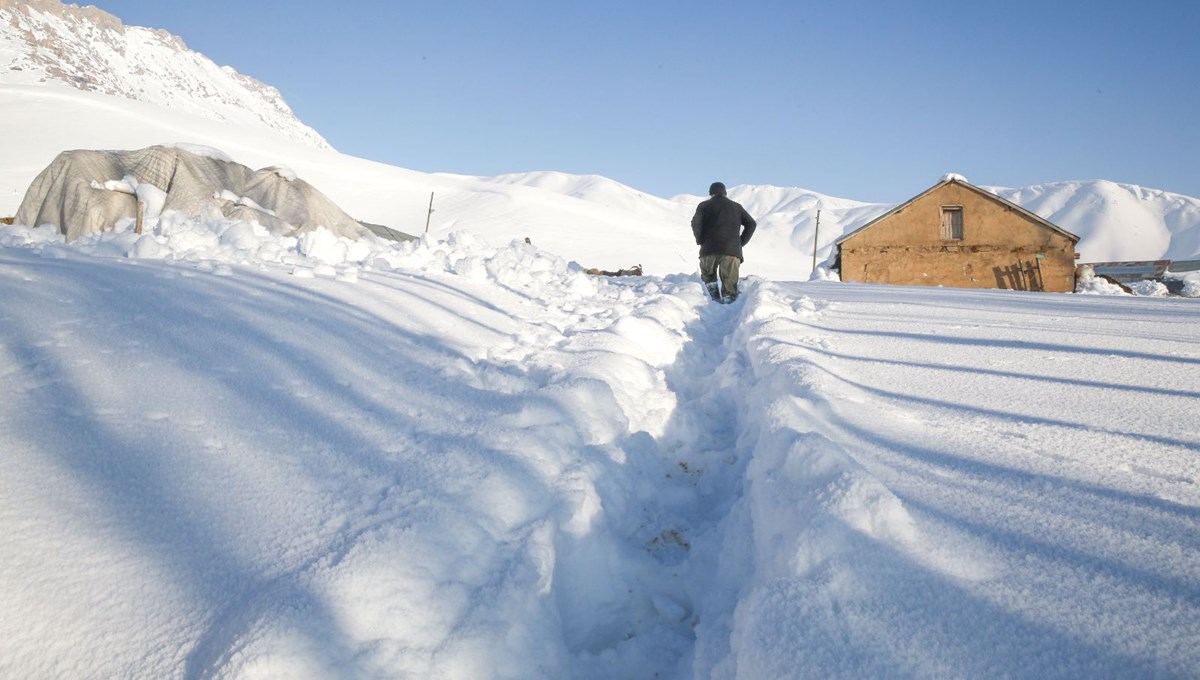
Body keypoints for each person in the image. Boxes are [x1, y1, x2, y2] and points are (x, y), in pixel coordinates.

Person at [691, 181, 757, 303]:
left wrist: (700, 239)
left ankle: (712, 304)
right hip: (732, 251)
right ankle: (729, 304)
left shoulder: (704, 206)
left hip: (708, 249)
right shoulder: (736, 207)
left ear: (710, 193)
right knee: (730, 285)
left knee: (709, 281)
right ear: (725, 193)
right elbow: (751, 224)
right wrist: (740, 242)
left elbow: (696, 223)